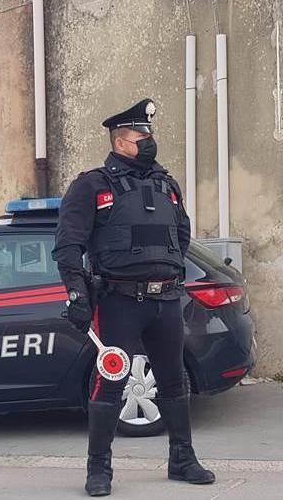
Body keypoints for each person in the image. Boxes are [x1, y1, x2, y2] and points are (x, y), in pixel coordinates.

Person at [52, 99, 214, 496]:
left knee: (173, 382)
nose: (149, 141)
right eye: (142, 136)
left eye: (150, 135)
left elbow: (181, 237)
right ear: (121, 141)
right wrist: (76, 291)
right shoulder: (92, 185)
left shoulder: (166, 185)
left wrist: (169, 273)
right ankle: (99, 470)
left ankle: (182, 459)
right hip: (118, 302)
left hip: (165, 301)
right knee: (110, 382)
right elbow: (67, 246)